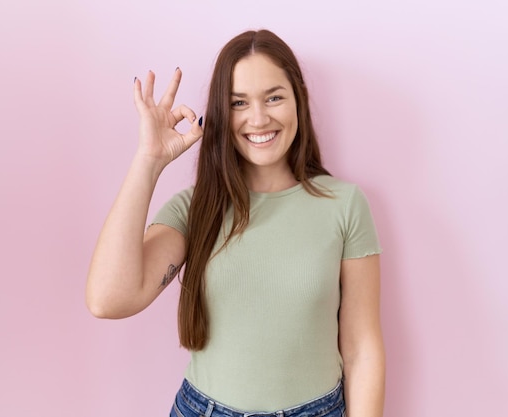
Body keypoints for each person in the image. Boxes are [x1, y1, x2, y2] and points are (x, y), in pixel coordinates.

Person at [86, 29, 385, 417]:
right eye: (238, 103)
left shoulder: (344, 205)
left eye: (274, 97)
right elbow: (108, 299)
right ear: (222, 114)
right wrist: (149, 160)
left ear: (298, 101)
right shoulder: (196, 209)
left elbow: (362, 350)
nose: (258, 119)